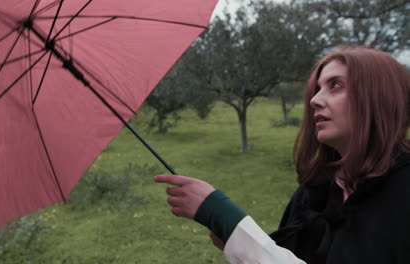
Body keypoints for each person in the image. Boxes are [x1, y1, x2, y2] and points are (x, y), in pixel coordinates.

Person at [154, 45, 410, 264]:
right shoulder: (315, 192)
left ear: (379, 97)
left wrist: (226, 218)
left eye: (336, 85)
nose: (314, 101)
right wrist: (237, 241)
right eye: (317, 89)